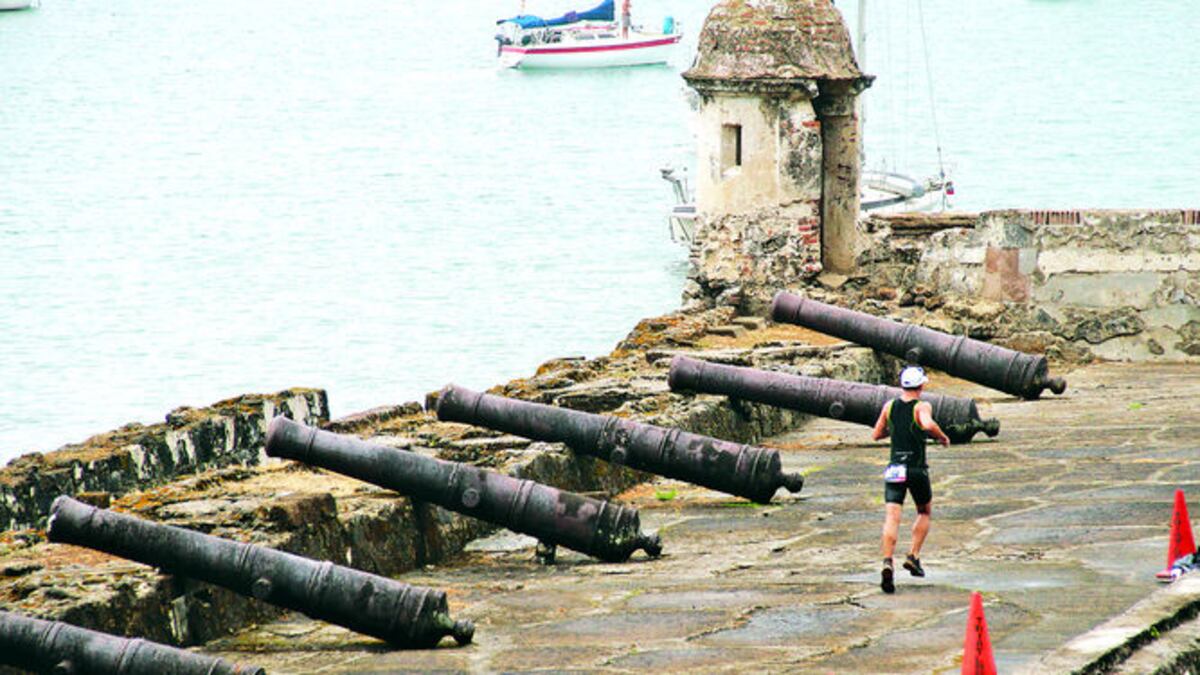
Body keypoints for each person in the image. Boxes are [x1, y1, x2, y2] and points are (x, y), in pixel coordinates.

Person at [870, 365, 950, 594]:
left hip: (895, 467)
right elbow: (926, 424)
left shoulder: (889, 406)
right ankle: (913, 555)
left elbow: (876, 434)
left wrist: (894, 430)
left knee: (892, 517)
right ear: (921, 385)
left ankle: (887, 561)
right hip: (915, 468)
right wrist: (941, 436)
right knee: (924, 511)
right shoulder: (922, 406)